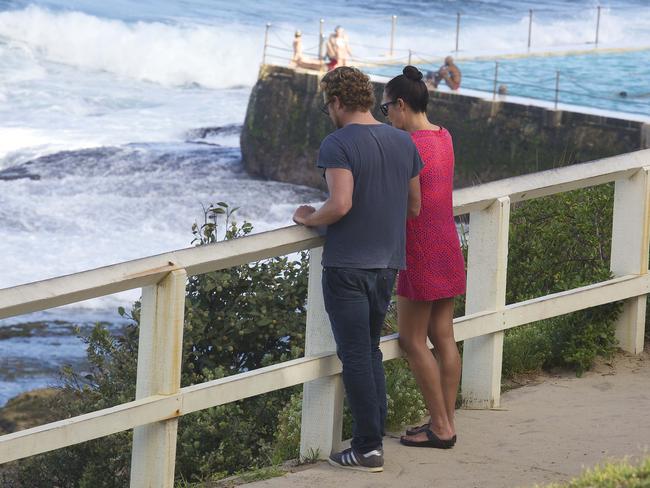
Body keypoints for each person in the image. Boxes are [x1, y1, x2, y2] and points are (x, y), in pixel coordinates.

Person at [293, 66, 423, 472]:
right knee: (368, 351)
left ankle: (367, 448)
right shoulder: (403, 142)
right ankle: (373, 438)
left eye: (326, 105)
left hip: (348, 265)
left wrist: (309, 217)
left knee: (355, 356)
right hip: (388, 263)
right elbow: (414, 206)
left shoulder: (337, 143)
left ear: (335, 102)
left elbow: (341, 203)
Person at [380, 65, 466, 449]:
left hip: (420, 250)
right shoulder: (444, 136)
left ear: (401, 104)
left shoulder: (407, 146)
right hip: (448, 243)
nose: (386, 118)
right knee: (443, 336)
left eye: (385, 110)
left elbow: (411, 207)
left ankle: (442, 428)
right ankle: (442, 422)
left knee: (412, 341)